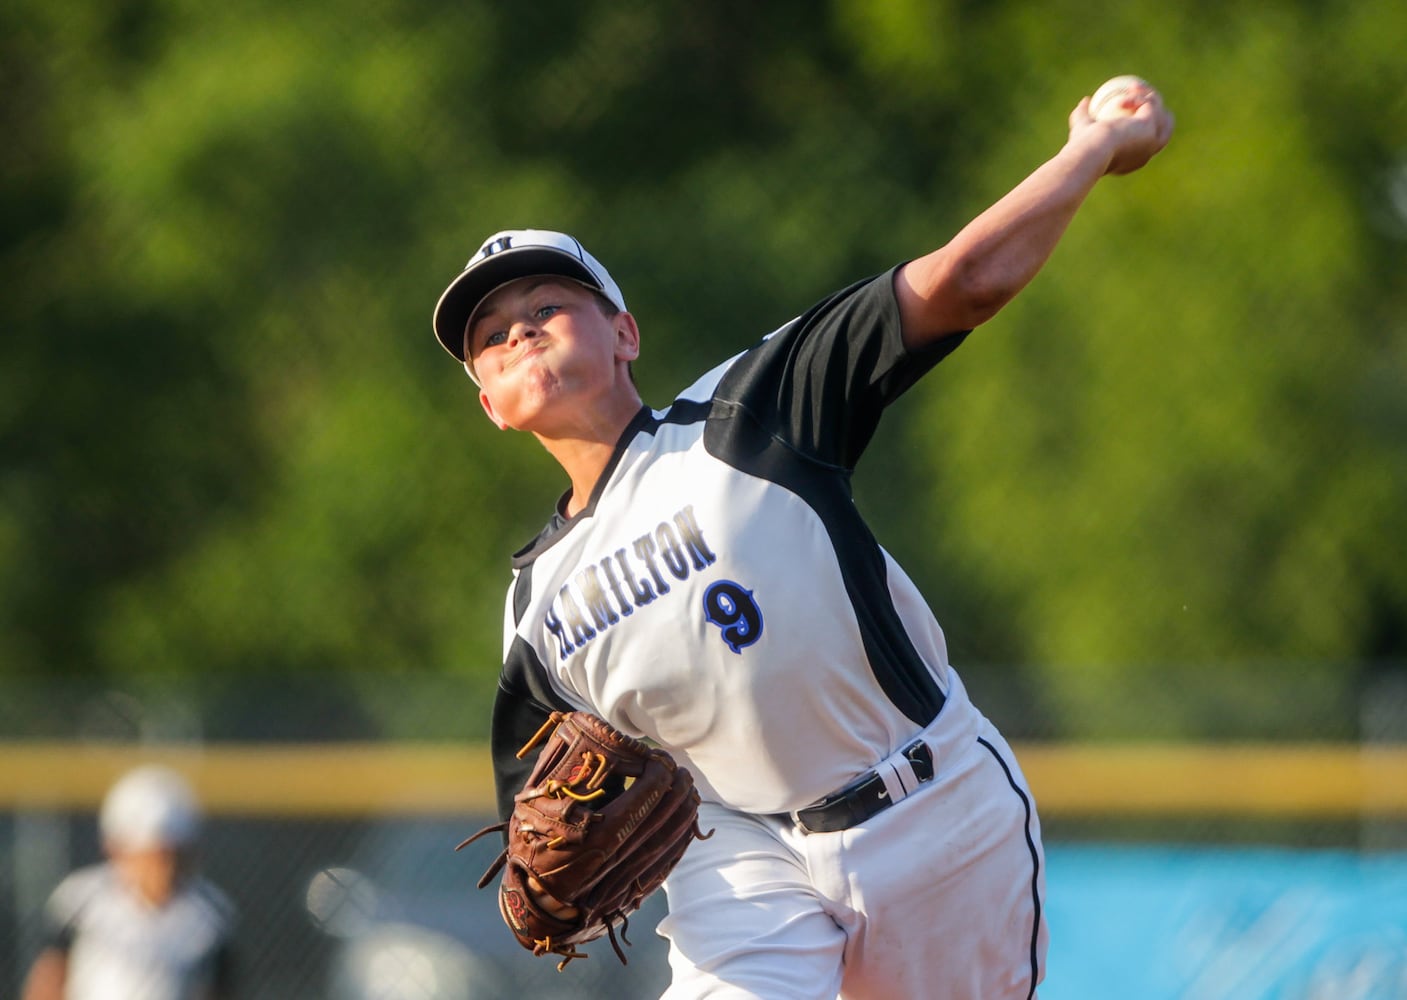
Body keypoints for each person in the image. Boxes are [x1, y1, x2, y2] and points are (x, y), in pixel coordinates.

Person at [431, 83, 1173, 999]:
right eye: (491, 339)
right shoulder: (535, 610)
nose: (519, 332)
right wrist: (545, 880)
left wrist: (1090, 148)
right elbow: (537, 828)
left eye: (547, 305)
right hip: (741, 858)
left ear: (624, 333)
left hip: (929, 809)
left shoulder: (748, 409)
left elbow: (961, 282)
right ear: (489, 407)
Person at [22, 764, 238, 1000]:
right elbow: (50, 979)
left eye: (170, 856)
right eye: (151, 856)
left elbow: (220, 990)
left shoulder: (208, 914)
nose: (162, 869)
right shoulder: (80, 901)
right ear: (118, 849)